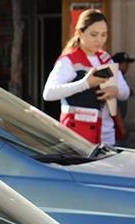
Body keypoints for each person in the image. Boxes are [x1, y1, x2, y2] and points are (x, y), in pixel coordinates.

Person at [43, 9, 129, 145]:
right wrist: (85, 83)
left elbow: (126, 92)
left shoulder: (106, 59)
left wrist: (115, 91)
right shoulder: (68, 61)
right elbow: (48, 93)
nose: (99, 40)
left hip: (106, 135)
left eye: (104, 35)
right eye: (94, 34)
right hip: (78, 137)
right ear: (79, 32)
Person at [111, 51, 135, 120]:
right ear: (118, 64)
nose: (128, 66)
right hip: (114, 122)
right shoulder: (112, 78)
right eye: (126, 64)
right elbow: (115, 106)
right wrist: (122, 128)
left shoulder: (121, 77)